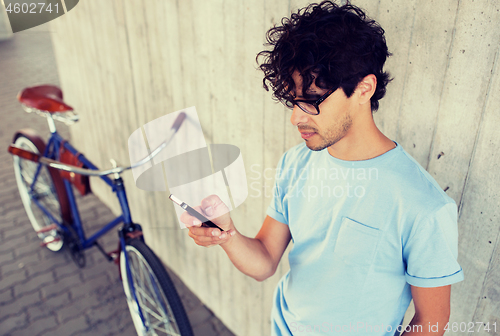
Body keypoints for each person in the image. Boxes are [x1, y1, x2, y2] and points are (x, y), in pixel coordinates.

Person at [181, 1, 464, 335]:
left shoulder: (424, 206)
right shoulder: (295, 162)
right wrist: (225, 234)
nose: (296, 118)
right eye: (292, 101)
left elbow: (432, 321)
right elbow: (264, 262)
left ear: (364, 88)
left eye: (312, 100)